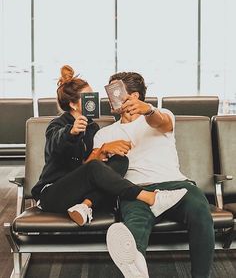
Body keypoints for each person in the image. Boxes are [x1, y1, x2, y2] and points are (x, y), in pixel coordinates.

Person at [31, 65, 187, 227]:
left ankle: (84, 206)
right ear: (73, 104)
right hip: (54, 194)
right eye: (87, 96)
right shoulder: (58, 125)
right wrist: (71, 132)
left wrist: (103, 150)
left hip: (80, 193)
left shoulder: (92, 128)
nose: (93, 99)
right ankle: (150, 198)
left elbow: (87, 167)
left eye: (93, 95)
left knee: (120, 161)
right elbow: (55, 146)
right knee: (95, 168)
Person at [93, 72, 215, 278]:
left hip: (176, 186)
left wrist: (148, 110)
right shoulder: (104, 134)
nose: (110, 96)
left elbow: (162, 121)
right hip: (136, 191)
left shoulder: (160, 115)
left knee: (201, 212)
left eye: (116, 90)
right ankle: (136, 270)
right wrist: (102, 150)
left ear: (135, 95)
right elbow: (93, 172)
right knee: (133, 229)